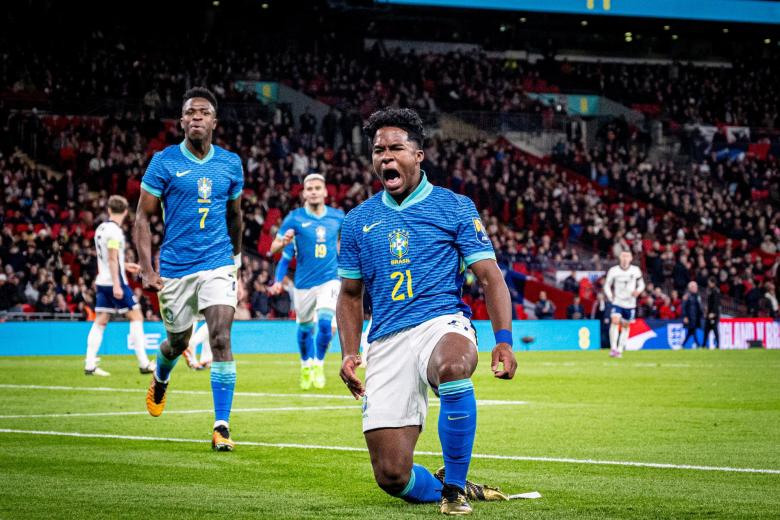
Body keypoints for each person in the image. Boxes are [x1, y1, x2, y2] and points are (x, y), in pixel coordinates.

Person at [337, 108, 517, 516]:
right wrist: (349, 352)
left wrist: (503, 341)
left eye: (396, 148)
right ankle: (444, 486)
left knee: (453, 365)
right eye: (379, 150)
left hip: (441, 323)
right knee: (391, 476)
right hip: (385, 337)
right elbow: (349, 295)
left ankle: (453, 489)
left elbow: (490, 278)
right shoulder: (357, 221)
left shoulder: (453, 207)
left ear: (418, 155)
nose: (386, 157)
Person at [135, 87, 243, 451]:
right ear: (181, 121)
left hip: (218, 262)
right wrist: (148, 270)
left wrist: (237, 258)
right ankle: (161, 374)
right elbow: (141, 218)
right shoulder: (163, 162)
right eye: (190, 112)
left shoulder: (230, 163)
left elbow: (235, 215)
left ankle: (221, 426)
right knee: (178, 341)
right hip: (176, 268)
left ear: (214, 121)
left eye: (203, 112)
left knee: (220, 338)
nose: (196, 117)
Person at [268, 173, 344, 390]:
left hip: (330, 279)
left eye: (317, 188)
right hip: (303, 284)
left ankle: (318, 364)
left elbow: (349, 244)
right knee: (303, 330)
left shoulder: (338, 217)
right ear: (303, 193)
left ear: (325, 192)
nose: (313, 192)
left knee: (325, 323)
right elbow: (274, 250)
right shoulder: (294, 218)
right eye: (309, 188)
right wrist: (282, 242)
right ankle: (305, 365)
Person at [85, 195, 155, 376]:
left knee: (101, 320)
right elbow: (111, 257)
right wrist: (117, 284)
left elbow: (106, 258)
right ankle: (144, 363)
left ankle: (90, 364)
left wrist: (125, 265)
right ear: (125, 211)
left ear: (109, 210)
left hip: (102, 280)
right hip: (114, 282)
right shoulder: (115, 232)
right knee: (137, 316)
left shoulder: (101, 228)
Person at [604, 251, 645, 358]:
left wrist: (638, 291)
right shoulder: (613, 271)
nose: (625, 258)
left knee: (625, 326)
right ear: (619, 257)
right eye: (623, 256)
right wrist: (610, 296)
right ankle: (613, 349)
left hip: (630, 303)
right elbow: (607, 285)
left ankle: (620, 349)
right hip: (617, 301)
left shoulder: (635, 270)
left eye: (627, 256)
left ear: (631, 258)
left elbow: (642, 284)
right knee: (615, 321)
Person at [682, 281, 703, 349]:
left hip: (696, 317)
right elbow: (684, 307)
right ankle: (698, 345)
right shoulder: (687, 296)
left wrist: (701, 314)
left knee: (690, 332)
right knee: (693, 331)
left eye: (696, 286)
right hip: (690, 317)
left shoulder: (697, 296)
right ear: (690, 288)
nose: (696, 288)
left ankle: (682, 345)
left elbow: (699, 307)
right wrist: (685, 316)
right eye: (694, 287)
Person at [703, 277, 720, 349]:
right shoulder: (711, 291)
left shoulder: (715, 291)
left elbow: (716, 303)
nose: (708, 283)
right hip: (709, 314)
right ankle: (703, 345)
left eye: (709, 282)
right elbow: (710, 303)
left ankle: (718, 344)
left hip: (713, 314)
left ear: (713, 283)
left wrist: (713, 313)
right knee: (706, 330)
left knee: (714, 329)